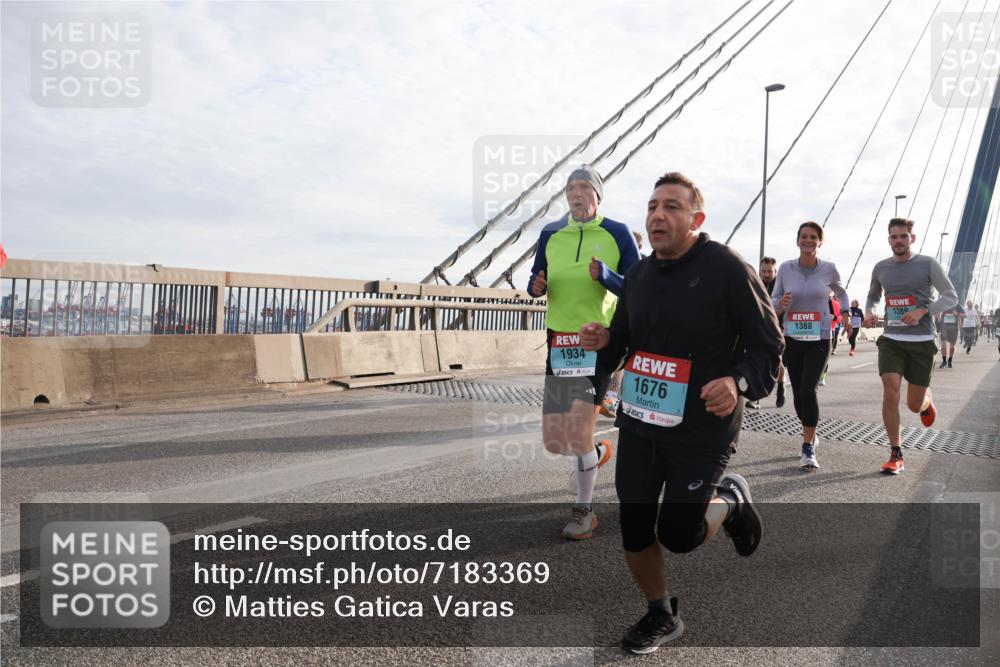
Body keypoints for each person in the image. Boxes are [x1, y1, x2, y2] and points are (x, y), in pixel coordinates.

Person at [580, 171, 782, 654]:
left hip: (703, 427)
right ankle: (661, 613)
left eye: (671, 206)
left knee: (680, 534)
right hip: (643, 422)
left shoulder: (725, 268)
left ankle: (729, 499)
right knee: (633, 526)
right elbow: (624, 337)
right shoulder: (638, 276)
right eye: (652, 206)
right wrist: (606, 344)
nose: (657, 215)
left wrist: (736, 382)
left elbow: (767, 343)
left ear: (696, 218)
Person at [527, 164, 641, 539]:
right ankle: (596, 451)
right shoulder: (550, 233)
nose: (576, 194)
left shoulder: (618, 233)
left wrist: (607, 276)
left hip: (597, 342)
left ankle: (585, 510)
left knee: (576, 432)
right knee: (557, 438)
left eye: (583, 188)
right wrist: (536, 285)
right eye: (570, 188)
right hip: (560, 342)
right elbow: (535, 276)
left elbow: (641, 288)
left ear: (597, 195)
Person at [863, 218, 957, 475]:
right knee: (890, 390)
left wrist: (923, 310)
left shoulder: (928, 264)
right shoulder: (881, 267)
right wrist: (870, 311)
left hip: (922, 340)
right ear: (889, 240)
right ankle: (896, 453)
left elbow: (951, 296)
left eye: (904, 236)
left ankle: (926, 402)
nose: (899, 241)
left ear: (912, 238)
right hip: (892, 339)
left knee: (914, 405)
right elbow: (873, 295)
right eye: (894, 237)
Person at [771, 222, 852, 469]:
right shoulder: (785, 269)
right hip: (793, 337)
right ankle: (811, 432)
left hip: (820, 337)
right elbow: (773, 301)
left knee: (808, 389)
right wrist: (781, 304)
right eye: (804, 236)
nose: (808, 240)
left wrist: (846, 314)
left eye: (813, 237)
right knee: (798, 391)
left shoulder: (829, 269)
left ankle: (807, 447)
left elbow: (842, 293)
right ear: (798, 241)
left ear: (820, 242)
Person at [599, 231, 647, 417]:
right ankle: (609, 398)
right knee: (615, 361)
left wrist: (604, 274)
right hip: (610, 317)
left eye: (635, 244)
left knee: (624, 363)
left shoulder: (644, 266)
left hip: (629, 319)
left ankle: (612, 399)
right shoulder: (615, 260)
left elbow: (632, 289)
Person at [746, 257, 787, 408]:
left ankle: (781, 386)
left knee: (778, 362)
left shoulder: (781, 286)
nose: (766, 274)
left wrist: (774, 312)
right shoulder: (756, 283)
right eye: (764, 271)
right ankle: (755, 398)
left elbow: (782, 309)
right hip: (758, 327)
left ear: (775, 271)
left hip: (778, 328)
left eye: (770, 271)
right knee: (757, 361)